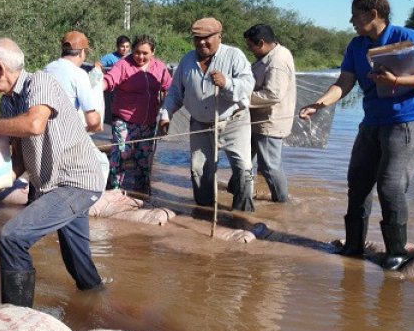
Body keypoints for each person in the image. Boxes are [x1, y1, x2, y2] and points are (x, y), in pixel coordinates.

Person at [300, 0, 414, 270]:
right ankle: (353, 247)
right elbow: (344, 83)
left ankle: (396, 253)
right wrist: (319, 104)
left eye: (355, 15)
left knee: (390, 185)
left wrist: (397, 82)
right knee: (358, 181)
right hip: (373, 122)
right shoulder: (356, 46)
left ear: (373, 14)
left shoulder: (408, 38)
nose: (351, 21)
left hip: (410, 121)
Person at [0, 38, 106, 307]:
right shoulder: (7, 104)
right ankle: (98, 304)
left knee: (11, 238)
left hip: (76, 182)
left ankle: (16, 319)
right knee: (78, 262)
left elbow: (34, 125)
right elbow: (19, 158)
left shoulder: (39, 83)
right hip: (49, 185)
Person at [158, 17, 256, 211]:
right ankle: (203, 211)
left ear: (219, 36)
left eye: (207, 37)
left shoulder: (234, 55)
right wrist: (165, 114)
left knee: (243, 168)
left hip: (233, 121)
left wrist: (227, 83)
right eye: (197, 38)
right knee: (199, 169)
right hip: (200, 124)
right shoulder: (187, 60)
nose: (201, 42)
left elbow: (248, 86)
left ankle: (242, 216)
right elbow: (176, 92)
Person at [101, 34, 172, 193]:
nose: (140, 56)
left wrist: (165, 111)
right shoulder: (123, 65)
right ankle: (114, 191)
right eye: (137, 52)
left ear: (153, 52)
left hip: (148, 122)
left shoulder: (159, 67)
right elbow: (110, 79)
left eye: (145, 53)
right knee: (120, 154)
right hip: (124, 120)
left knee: (144, 160)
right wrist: (97, 87)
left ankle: (141, 194)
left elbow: (170, 88)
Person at [244, 24, 296, 203]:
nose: (250, 50)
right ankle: (237, 190)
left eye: (251, 46)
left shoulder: (277, 62)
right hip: (256, 120)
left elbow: (273, 94)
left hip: (269, 121)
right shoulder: (270, 55)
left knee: (269, 166)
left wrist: (242, 97)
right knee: (243, 158)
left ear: (261, 43)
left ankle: (281, 202)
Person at [43, 30, 102, 133]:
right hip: (66, 136)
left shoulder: (47, 68)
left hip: (44, 133)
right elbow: (92, 121)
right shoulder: (79, 74)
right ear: (82, 52)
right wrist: (92, 127)